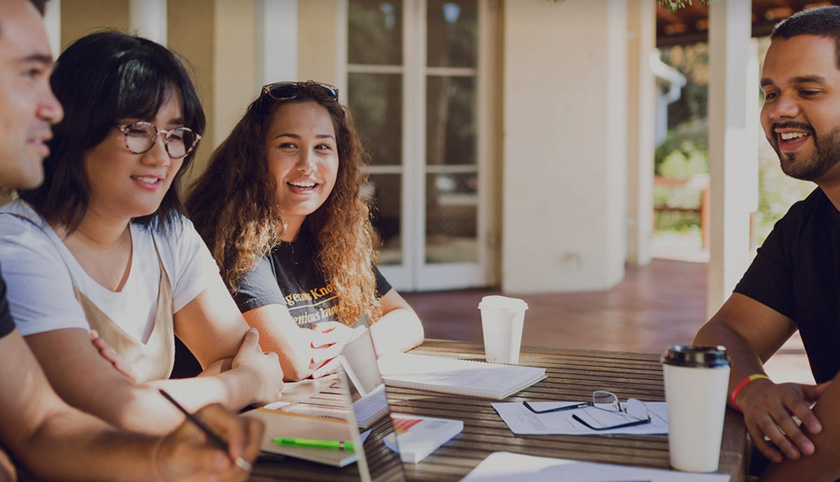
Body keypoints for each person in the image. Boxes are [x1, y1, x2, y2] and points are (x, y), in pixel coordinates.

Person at [0, 1, 262, 480]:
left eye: (176, 134)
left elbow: (244, 349)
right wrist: (235, 386)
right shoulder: (16, 246)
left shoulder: (167, 232)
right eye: (137, 130)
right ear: (79, 128)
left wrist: (161, 409)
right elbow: (121, 414)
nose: (162, 155)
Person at [187, 81, 424, 381]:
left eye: (322, 147)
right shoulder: (235, 240)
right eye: (289, 145)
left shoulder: (330, 236)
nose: (307, 164)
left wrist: (356, 342)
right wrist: (354, 346)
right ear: (255, 156)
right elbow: (292, 361)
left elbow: (408, 321)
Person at [693, 6, 840, 481]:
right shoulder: (806, 226)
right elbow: (721, 337)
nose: (779, 109)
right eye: (771, 92)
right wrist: (753, 388)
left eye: (808, 91)